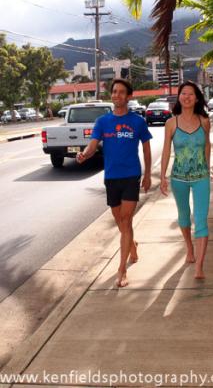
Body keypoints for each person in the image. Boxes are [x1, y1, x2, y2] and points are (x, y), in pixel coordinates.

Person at [76, 79, 152, 287]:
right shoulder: (102, 122)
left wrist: (147, 175)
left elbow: (145, 148)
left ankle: (122, 270)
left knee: (126, 220)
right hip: (111, 177)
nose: (117, 95)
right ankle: (132, 246)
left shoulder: (137, 121)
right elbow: (93, 146)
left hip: (131, 176)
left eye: (121, 92)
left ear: (129, 97)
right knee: (120, 221)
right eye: (114, 92)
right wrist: (84, 154)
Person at [160, 81, 211, 279]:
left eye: (190, 94)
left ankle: (199, 266)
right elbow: (166, 150)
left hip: (201, 178)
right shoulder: (171, 123)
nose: (186, 97)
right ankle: (189, 248)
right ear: (179, 97)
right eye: (183, 93)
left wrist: (206, 166)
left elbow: (207, 145)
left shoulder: (204, 121)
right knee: (183, 215)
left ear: (197, 98)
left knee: (201, 220)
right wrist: (163, 176)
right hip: (178, 178)